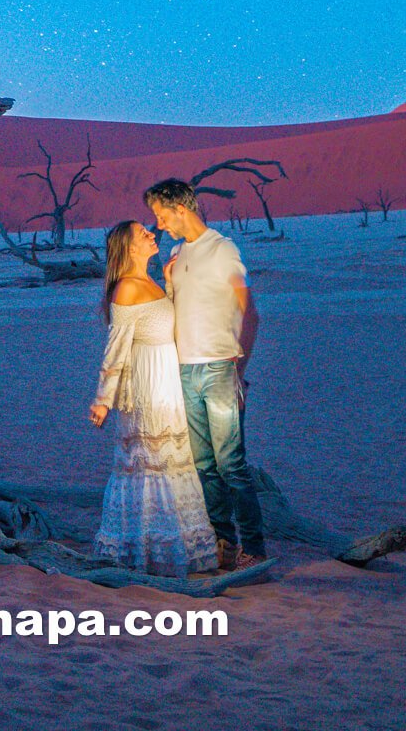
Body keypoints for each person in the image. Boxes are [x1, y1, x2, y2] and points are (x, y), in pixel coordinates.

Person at [144, 177, 266, 571]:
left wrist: (238, 369)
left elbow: (250, 312)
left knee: (232, 464)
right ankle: (223, 543)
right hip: (185, 370)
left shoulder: (223, 250)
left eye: (162, 216)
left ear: (181, 209)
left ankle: (254, 548)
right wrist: (167, 280)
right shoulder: (178, 254)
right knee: (203, 465)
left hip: (219, 368)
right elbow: (176, 309)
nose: (159, 225)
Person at [87, 219, 217, 576]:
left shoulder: (151, 282)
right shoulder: (126, 289)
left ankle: (178, 547)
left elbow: (167, 324)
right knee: (149, 461)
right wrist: (103, 399)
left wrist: (171, 285)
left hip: (167, 377)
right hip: (146, 382)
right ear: (130, 247)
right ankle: (143, 551)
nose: (150, 234)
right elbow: (115, 348)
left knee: (173, 459)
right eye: (142, 233)